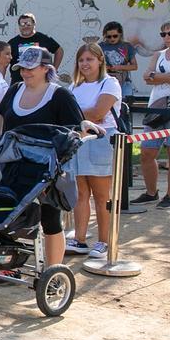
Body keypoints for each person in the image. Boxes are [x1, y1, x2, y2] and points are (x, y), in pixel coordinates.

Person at [0, 46, 86, 266]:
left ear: (46, 68)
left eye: (30, 68)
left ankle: (53, 269)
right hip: (12, 166)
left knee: (50, 220)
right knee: (8, 214)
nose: (25, 72)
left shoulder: (59, 95)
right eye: (22, 68)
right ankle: (8, 266)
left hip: (45, 169)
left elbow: (75, 130)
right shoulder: (15, 89)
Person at [64, 43, 122, 258]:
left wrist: (72, 116)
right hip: (78, 142)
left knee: (100, 194)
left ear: (100, 61)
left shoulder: (110, 83)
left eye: (89, 59)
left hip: (100, 141)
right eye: (81, 60)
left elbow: (98, 113)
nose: (85, 64)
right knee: (80, 194)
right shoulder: (73, 87)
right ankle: (79, 239)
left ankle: (104, 241)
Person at [131, 17, 170, 210]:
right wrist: (166, 77)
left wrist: (158, 77)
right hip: (155, 107)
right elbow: (147, 76)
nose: (167, 37)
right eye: (163, 34)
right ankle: (151, 192)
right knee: (147, 151)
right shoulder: (159, 54)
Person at [7, 12, 63, 83]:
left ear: (34, 24)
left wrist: (54, 69)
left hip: (41, 83)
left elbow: (59, 50)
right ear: (19, 26)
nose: (25, 26)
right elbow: (4, 62)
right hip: (18, 83)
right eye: (22, 24)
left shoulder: (43, 38)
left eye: (28, 24)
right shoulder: (12, 42)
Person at [100, 21, 139, 100]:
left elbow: (134, 66)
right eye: (109, 37)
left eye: (115, 36)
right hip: (105, 81)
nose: (112, 39)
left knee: (125, 105)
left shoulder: (127, 46)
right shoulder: (100, 46)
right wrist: (106, 67)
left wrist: (119, 67)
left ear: (120, 35)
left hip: (124, 82)